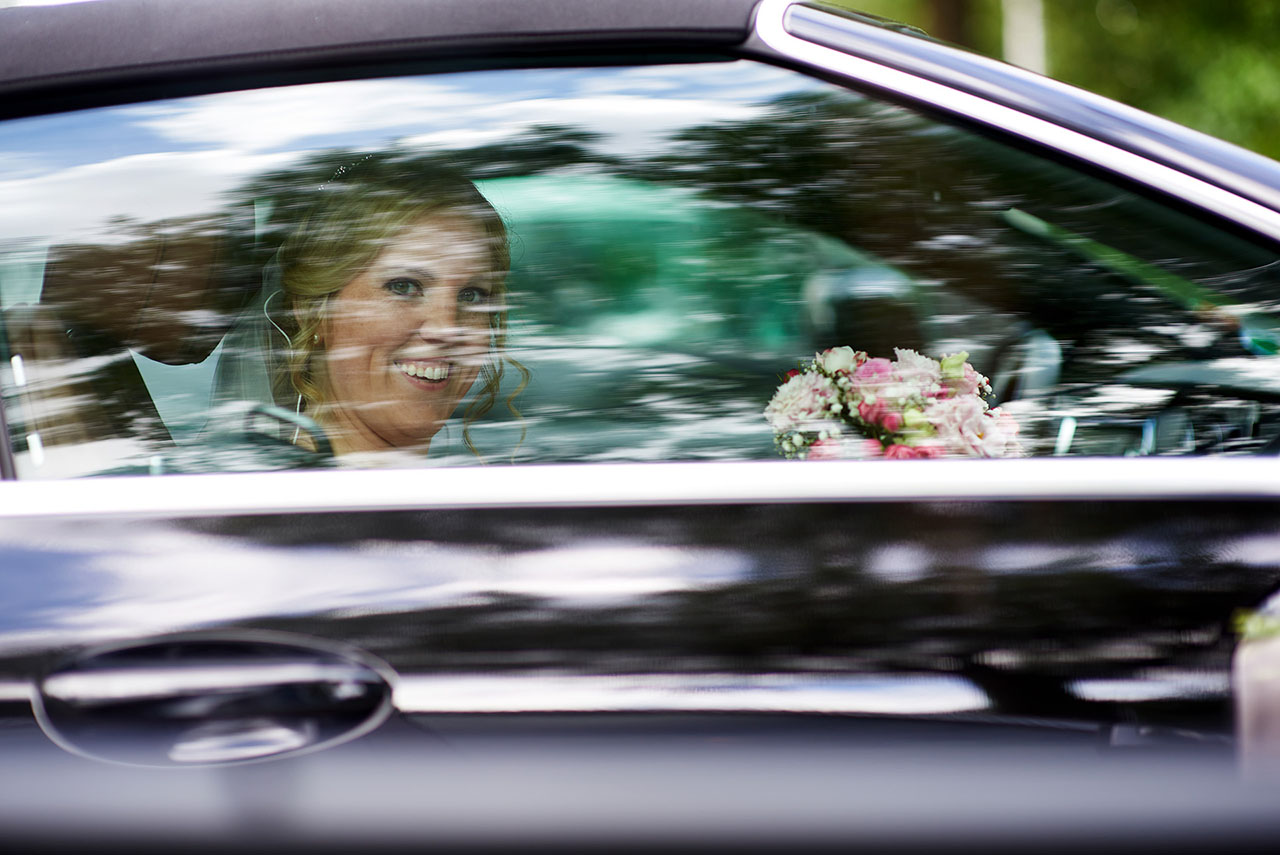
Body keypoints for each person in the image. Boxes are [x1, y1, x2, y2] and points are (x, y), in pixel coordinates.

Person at [246, 159, 525, 460]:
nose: (446, 328)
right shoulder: (286, 501)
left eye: (471, 295)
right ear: (314, 312)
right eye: (403, 286)